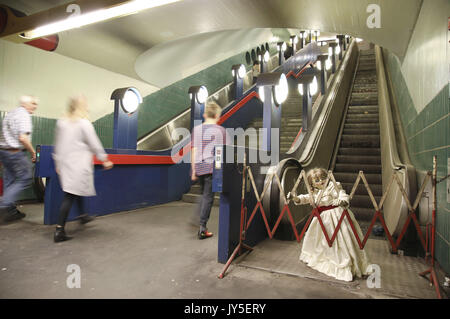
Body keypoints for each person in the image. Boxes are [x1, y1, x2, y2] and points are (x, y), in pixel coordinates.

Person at [287, 167, 371, 282]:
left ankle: (346, 262)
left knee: (342, 239)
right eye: (316, 181)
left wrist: (342, 201)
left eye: (323, 178)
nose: (321, 182)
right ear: (312, 184)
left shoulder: (333, 186)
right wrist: (295, 198)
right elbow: (305, 198)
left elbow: (342, 194)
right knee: (323, 241)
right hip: (323, 220)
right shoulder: (314, 193)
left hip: (337, 216)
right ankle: (328, 258)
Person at [52, 95, 113, 242]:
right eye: (85, 104)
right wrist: (104, 159)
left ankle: (82, 217)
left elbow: (58, 144)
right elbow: (94, 143)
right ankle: (59, 230)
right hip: (78, 164)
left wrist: (58, 163)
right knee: (70, 195)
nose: (87, 106)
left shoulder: (62, 122)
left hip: (66, 164)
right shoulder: (84, 123)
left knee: (75, 190)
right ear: (80, 106)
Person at [191, 102, 229, 240]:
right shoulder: (221, 131)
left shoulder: (197, 129)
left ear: (205, 114)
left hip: (200, 166)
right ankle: (202, 227)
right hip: (212, 167)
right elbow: (225, 151)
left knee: (203, 194)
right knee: (208, 197)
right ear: (218, 115)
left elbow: (194, 150)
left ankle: (198, 219)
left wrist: (194, 169)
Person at [0, 96, 38, 224]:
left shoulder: (11, 114)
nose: (35, 106)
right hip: (15, 153)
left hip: (4, 152)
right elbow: (23, 138)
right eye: (33, 103)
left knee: (9, 180)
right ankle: (4, 205)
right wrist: (33, 152)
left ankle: (10, 210)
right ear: (25, 104)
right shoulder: (24, 115)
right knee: (26, 178)